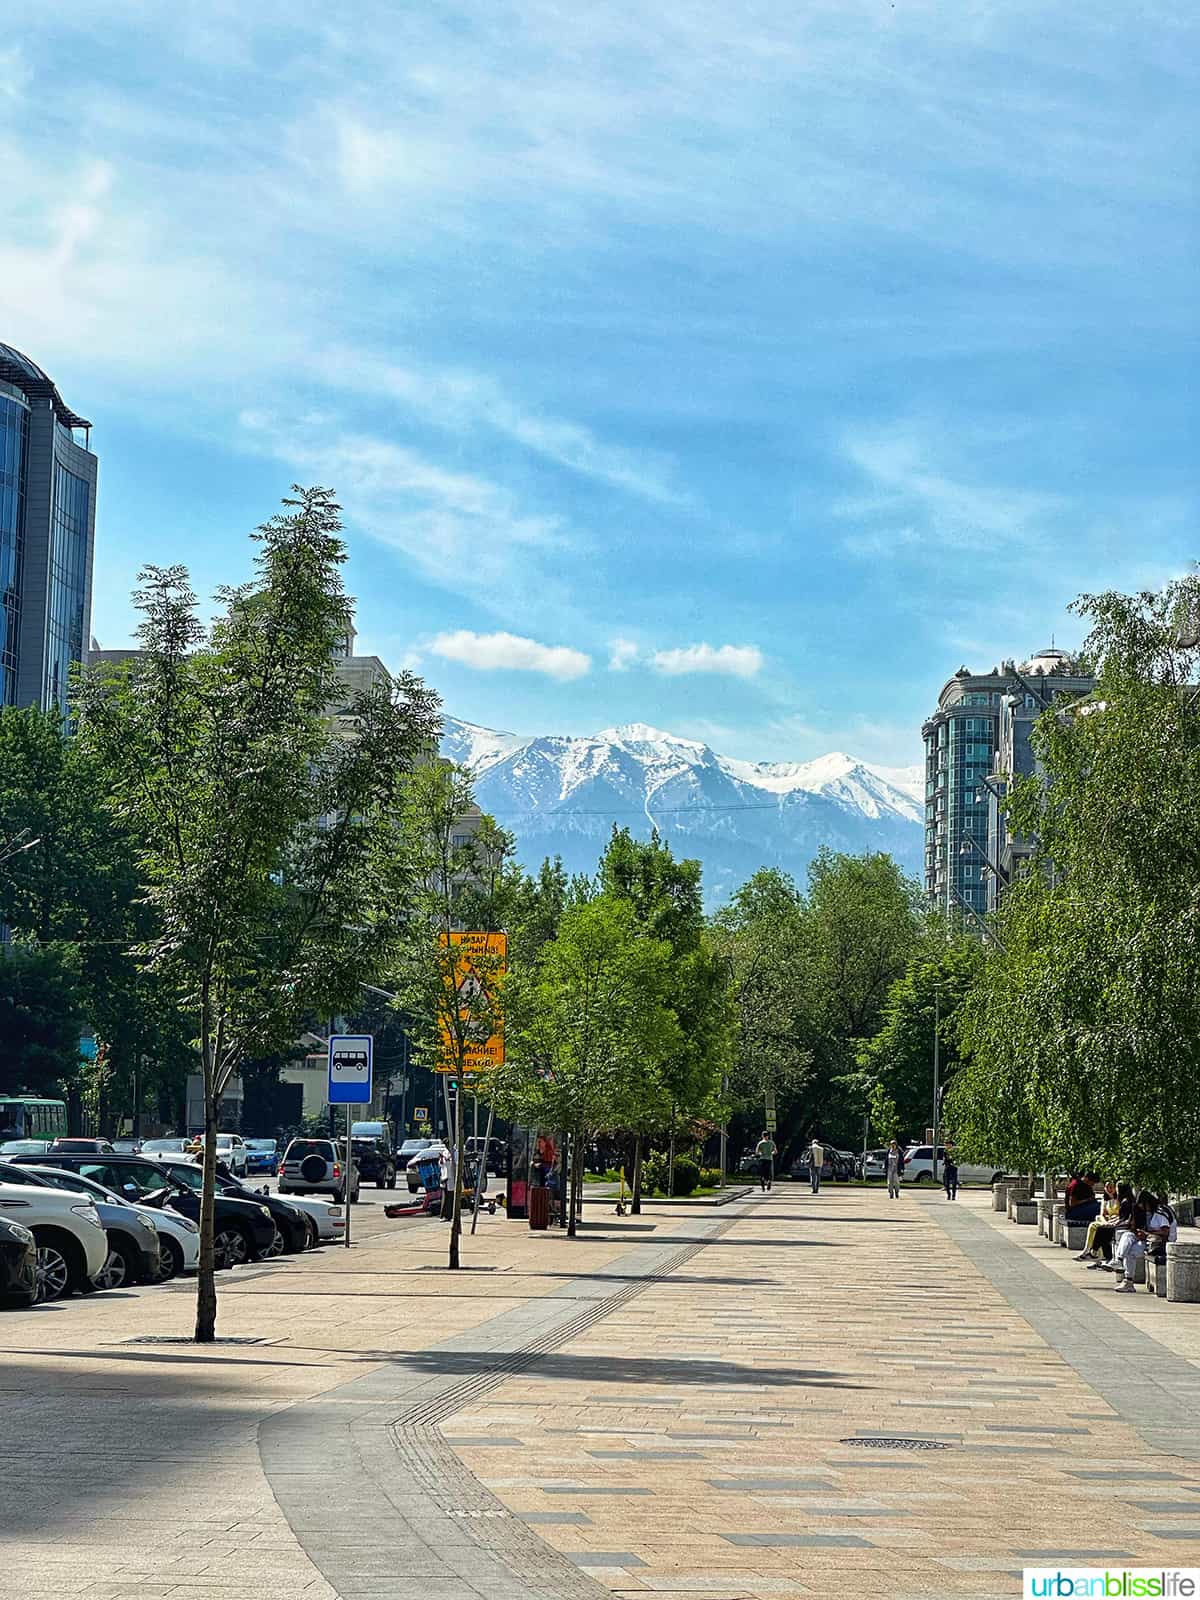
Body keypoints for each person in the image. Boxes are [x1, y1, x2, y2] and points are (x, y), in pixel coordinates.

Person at [1086, 1182, 1134, 1269]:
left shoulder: (1126, 1202)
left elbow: (1125, 1218)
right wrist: (1113, 1221)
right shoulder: (1124, 1201)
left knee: (1102, 1231)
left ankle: (1095, 1252)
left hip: (1125, 1226)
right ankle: (1097, 1253)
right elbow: (1121, 1217)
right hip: (1121, 1223)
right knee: (1102, 1229)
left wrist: (1114, 1223)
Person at [1112, 1191, 1152, 1292]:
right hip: (1145, 1239)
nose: (1142, 1207)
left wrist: (1147, 1234)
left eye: (1142, 1205)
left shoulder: (1158, 1213)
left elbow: (1165, 1232)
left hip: (1155, 1242)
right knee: (1127, 1235)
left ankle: (1120, 1263)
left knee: (1130, 1250)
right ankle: (1120, 1263)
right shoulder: (1141, 1212)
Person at [1076, 1180, 1119, 1261]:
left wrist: (1111, 1219)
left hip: (1115, 1222)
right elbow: (1102, 1214)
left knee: (1099, 1230)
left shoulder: (1118, 1199)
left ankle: (1093, 1252)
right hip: (1107, 1221)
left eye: (1111, 1187)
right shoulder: (1105, 1199)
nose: (1109, 1189)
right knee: (1093, 1225)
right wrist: (1105, 1222)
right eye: (1107, 1187)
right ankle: (1088, 1250)